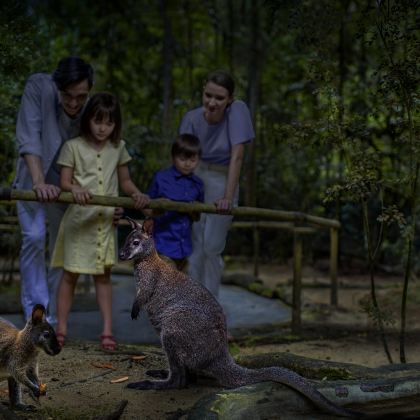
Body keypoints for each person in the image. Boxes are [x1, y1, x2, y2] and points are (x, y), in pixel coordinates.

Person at [50, 92, 150, 350]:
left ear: (116, 124)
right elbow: (64, 181)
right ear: (88, 120)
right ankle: (60, 329)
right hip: (78, 221)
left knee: (103, 276)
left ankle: (107, 331)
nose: (103, 127)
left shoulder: (119, 148)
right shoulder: (73, 146)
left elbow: (125, 181)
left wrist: (136, 193)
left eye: (109, 122)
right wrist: (74, 189)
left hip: (105, 223)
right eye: (98, 121)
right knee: (70, 274)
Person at [13, 56, 94, 324]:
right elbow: (29, 136)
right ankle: (35, 315)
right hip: (32, 178)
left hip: (66, 184)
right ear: (57, 86)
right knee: (34, 237)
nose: (74, 103)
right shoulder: (39, 86)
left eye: (80, 97)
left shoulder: (89, 107)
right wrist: (38, 181)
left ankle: (54, 319)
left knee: (63, 245)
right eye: (67, 96)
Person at [178, 70, 255, 297]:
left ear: (230, 99)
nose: (212, 102)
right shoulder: (191, 118)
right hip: (196, 176)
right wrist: (183, 192)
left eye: (220, 98)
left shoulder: (237, 111)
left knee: (212, 245)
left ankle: (212, 311)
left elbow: (237, 156)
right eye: (208, 95)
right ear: (203, 90)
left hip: (223, 178)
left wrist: (228, 197)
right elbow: (183, 159)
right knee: (195, 246)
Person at [143, 134, 204, 271]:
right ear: (173, 157)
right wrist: (160, 208)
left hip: (184, 248)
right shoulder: (161, 178)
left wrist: (192, 210)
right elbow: (146, 208)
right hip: (162, 245)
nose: (187, 163)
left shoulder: (198, 184)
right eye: (182, 159)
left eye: (193, 160)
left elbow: (197, 217)